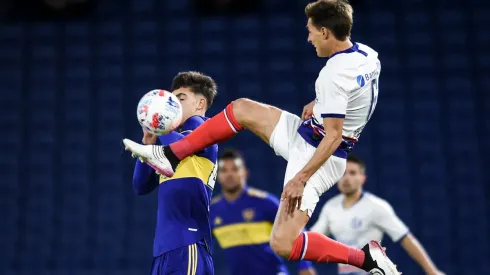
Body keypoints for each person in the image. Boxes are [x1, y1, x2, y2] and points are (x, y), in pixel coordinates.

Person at [123, 1, 399, 274]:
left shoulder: (332, 76)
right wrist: (320, 102)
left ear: (325, 32)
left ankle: (365, 259)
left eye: (312, 31)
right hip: (306, 133)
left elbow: (335, 136)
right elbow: (359, 92)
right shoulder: (366, 54)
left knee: (282, 243)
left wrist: (299, 179)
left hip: (320, 155)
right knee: (242, 108)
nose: (309, 37)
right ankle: (170, 155)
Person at [130, 71, 218, 275]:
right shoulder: (170, 145)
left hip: (189, 243)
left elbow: (183, 144)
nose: (174, 105)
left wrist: (162, 127)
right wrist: (149, 143)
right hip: (164, 248)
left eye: (180, 99)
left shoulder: (203, 126)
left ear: (200, 104)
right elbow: (140, 186)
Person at [310, 155, 445, 275]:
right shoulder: (330, 207)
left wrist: (431, 271)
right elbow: (311, 241)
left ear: (363, 178)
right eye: (343, 173)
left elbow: (406, 238)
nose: (347, 178)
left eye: (352, 173)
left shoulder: (376, 206)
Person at [211, 148, 317, 275]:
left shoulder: (264, 202)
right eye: (224, 170)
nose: (229, 174)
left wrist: (305, 266)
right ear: (217, 176)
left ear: (244, 173)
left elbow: (295, 229)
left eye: (235, 169)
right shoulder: (213, 211)